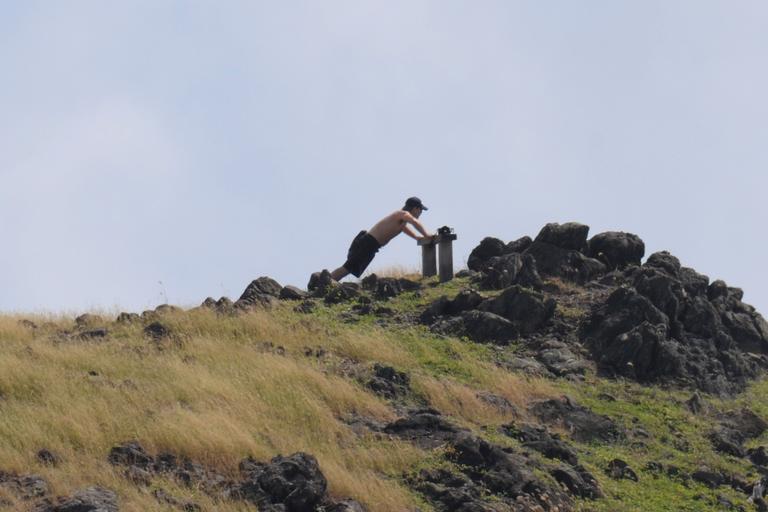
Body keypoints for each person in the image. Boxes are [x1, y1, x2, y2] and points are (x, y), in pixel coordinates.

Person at [329, 197, 434, 281]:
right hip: (368, 242)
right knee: (347, 268)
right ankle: (326, 282)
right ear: (415, 208)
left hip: (371, 245)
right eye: (420, 210)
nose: (421, 213)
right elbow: (415, 222)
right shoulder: (402, 214)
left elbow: (403, 229)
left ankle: (328, 282)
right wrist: (426, 234)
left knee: (349, 269)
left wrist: (416, 237)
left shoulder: (401, 220)